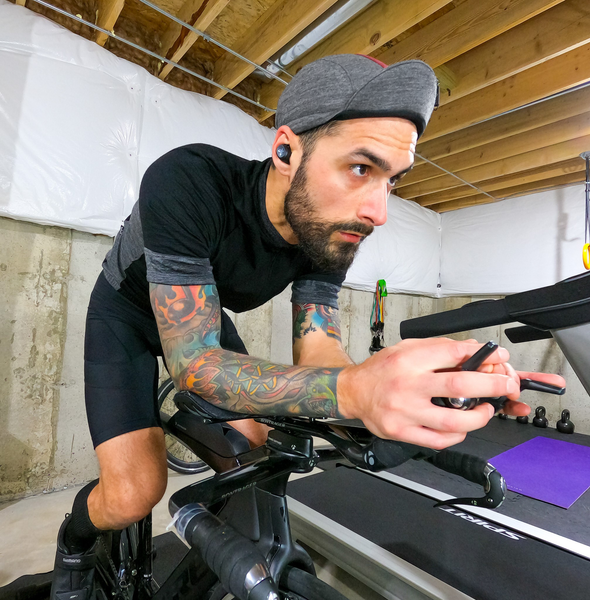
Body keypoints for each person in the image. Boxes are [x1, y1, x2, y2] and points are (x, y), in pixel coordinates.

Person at [50, 55, 564, 600]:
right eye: (361, 168)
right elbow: (197, 367)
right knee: (134, 493)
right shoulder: (188, 179)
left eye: (393, 180)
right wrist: (353, 391)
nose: (378, 211)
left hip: (204, 313)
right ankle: (74, 543)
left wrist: (400, 388)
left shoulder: (330, 231)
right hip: (126, 314)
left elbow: (318, 348)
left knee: (252, 459)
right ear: (286, 150)